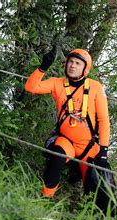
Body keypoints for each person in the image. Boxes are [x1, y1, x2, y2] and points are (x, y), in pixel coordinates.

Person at [25, 46, 110, 201]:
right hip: (66, 141)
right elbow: (31, 87)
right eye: (70, 62)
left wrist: (103, 152)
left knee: (97, 187)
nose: (72, 65)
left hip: (89, 146)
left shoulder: (96, 87)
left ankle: (95, 218)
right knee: (56, 158)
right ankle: (45, 200)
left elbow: (104, 121)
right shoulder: (57, 83)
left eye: (78, 63)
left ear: (85, 69)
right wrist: (42, 67)